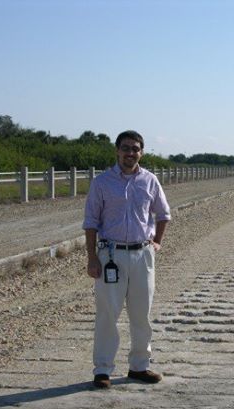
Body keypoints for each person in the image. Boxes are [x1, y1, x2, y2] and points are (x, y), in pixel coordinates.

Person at [82, 130, 170, 388]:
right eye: (126, 148)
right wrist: (92, 258)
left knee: (141, 313)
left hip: (142, 255)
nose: (130, 153)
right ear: (117, 151)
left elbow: (163, 214)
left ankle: (140, 366)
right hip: (111, 255)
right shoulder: (102, 183)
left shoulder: (150, 181)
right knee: (108, 313)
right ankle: (102, 370)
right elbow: (91, 222)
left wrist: (157, 243)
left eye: (135, 148)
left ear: (141, 152)